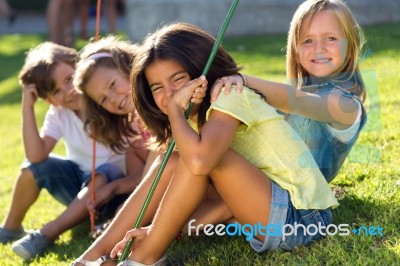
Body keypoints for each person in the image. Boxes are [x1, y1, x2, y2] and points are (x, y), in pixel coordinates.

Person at [73, 22, 338, 265]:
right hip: (262, 209)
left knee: (196, 156)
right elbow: (217, 202)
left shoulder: (229, 96)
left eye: (178, 79)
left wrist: (175, 111)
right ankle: (92, 257)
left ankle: (144, 258)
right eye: (157, 88)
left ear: (202, 70)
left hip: (303, 219)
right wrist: (162, 228)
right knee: (174, 161)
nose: (170, 94)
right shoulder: (193, 121)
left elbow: (200, 162)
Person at [0, 42, 140, 261]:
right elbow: (36, 156)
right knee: (33, 169)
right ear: (49, 99)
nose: (68, 90)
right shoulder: (59, 114)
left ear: (80, 68)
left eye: (68, 79)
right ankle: (10, 228)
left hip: (115, 188)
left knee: (103, 172)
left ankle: (47, 233)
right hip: (79, 189)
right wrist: (27, 105)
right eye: (56, 91)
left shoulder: (110, 103)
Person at [210, 0, 367, 183]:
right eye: (308, 40)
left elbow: (300, 101)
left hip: (291, 194)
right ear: (296, 50)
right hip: (260, 179)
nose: (319, 48)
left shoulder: (346, 105)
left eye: (330, 38)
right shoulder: (298, 94)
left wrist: (245, 81)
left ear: (349, 46)